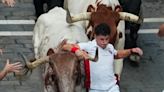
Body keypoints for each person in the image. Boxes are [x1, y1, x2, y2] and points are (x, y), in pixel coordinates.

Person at [62, 23, 143, 92]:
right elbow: (65, 46)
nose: (104, 42)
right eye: (102, 39)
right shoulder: (89, 46)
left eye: (107, 39)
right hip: (95, 89)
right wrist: (76, 50)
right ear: (95, 36)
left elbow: (117, 54)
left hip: (112, 87)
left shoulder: (110, 47)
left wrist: (131, 51)